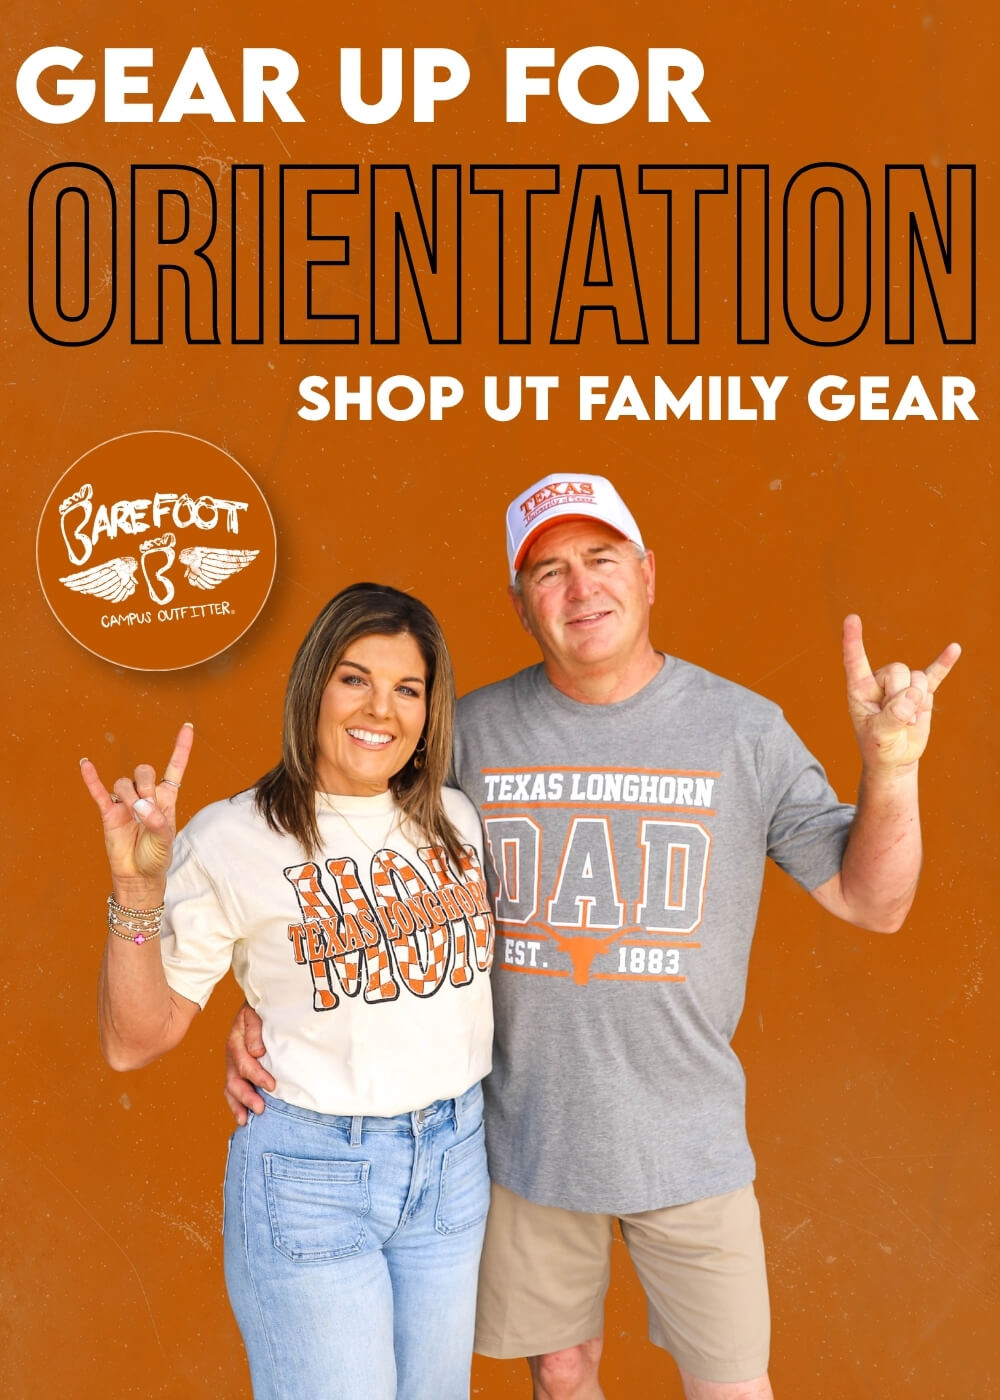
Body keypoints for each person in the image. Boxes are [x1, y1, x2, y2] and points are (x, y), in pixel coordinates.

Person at [225, 478, 960, 1400]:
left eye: (602, 560)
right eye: (549, 571)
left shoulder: (743, 730)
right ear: (520, 603)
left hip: (691, 1147)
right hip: (525, 1141)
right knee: (562, 1379)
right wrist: (273, 1010)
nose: (580, 589)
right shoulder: (465, 735)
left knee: (734, 1387)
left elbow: (873, 901)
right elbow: (335, 855)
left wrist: (892, 767)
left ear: (648, 574)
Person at [82, 582, 495, 1400]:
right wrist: (135, 900)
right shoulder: (232, 837)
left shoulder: (455, 819)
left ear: (428, 709)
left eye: (406, 688)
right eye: (354, 678)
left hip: (453, 1163)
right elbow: (136, 1039)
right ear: (312, 686)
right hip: (313, 1178)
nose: (381, 708)